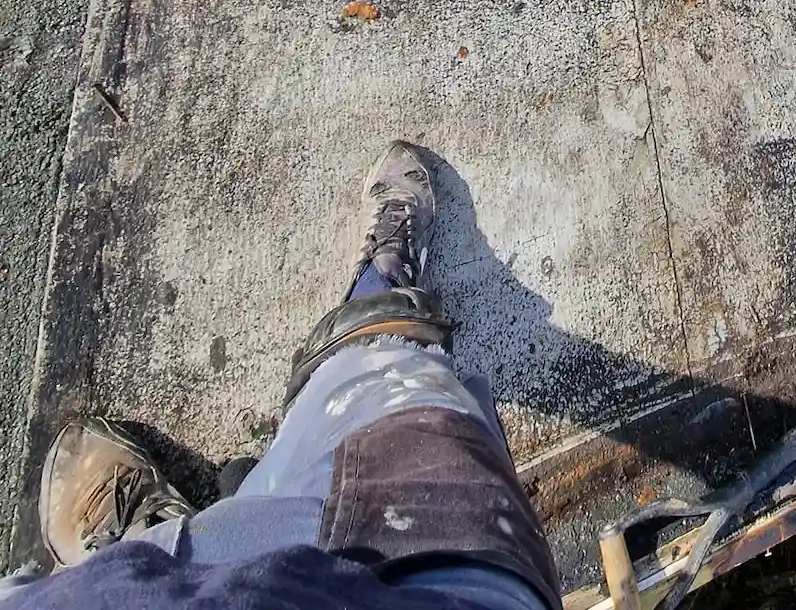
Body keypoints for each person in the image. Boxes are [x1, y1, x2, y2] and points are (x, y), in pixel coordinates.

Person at [7, 145, 565, 607]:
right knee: (395, 382)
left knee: (138, 574)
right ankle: (382, 279)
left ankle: (139, 550)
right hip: (431, 576)